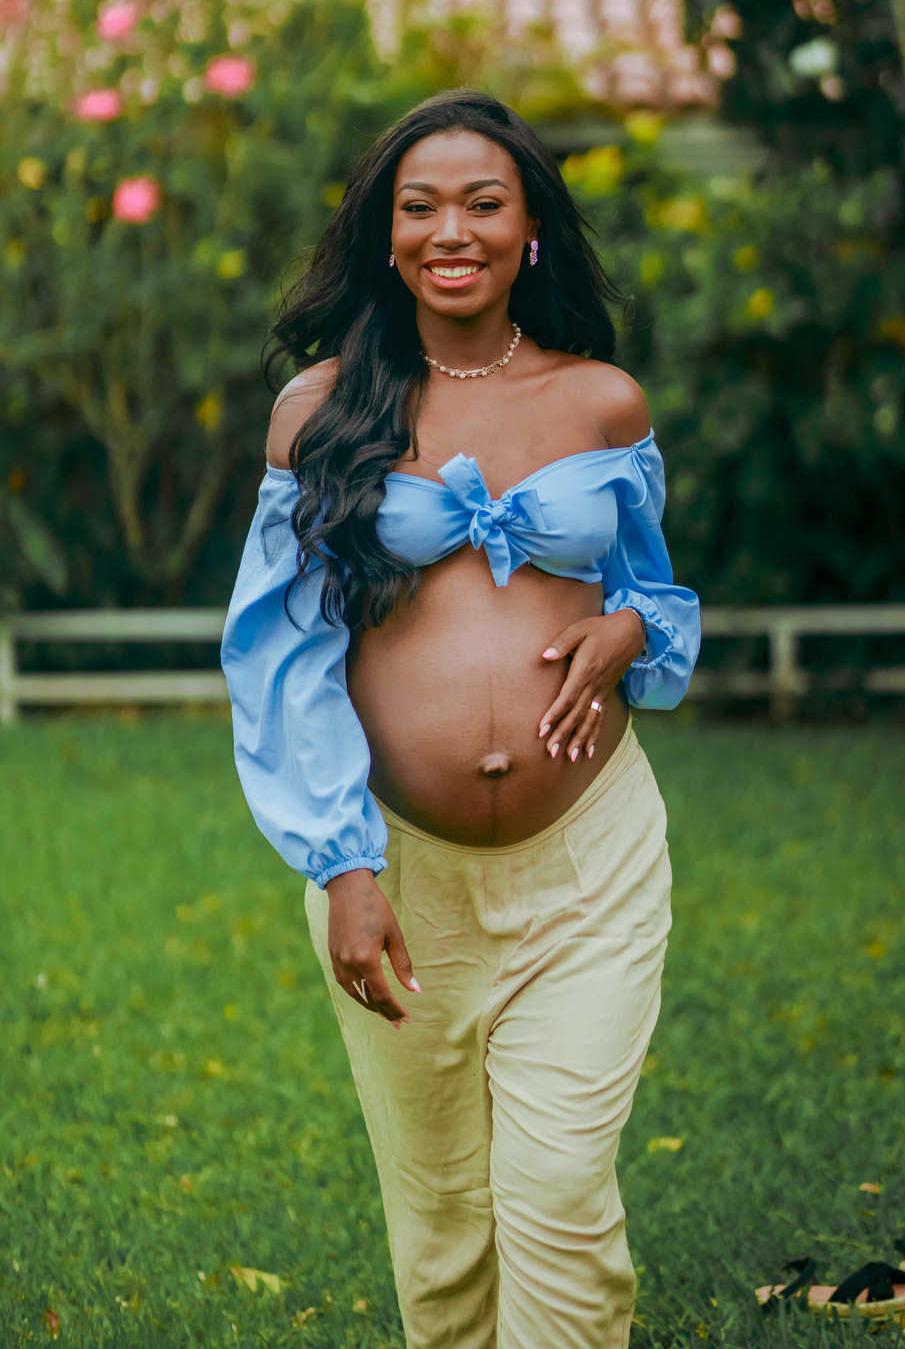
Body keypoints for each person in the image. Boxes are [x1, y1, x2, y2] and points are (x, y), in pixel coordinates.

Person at [219, 89, 702, 1349]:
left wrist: (630, 630)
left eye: (484, 202)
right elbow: (283, 656)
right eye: (419, 205)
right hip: (401, 871)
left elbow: (655, 596)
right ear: (385, 235)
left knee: (558, 1198)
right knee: (440, 1232)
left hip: (590, 859)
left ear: (529, 226)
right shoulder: (322, 414)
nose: (453, 230)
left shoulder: (605, 403)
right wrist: (342, 865)